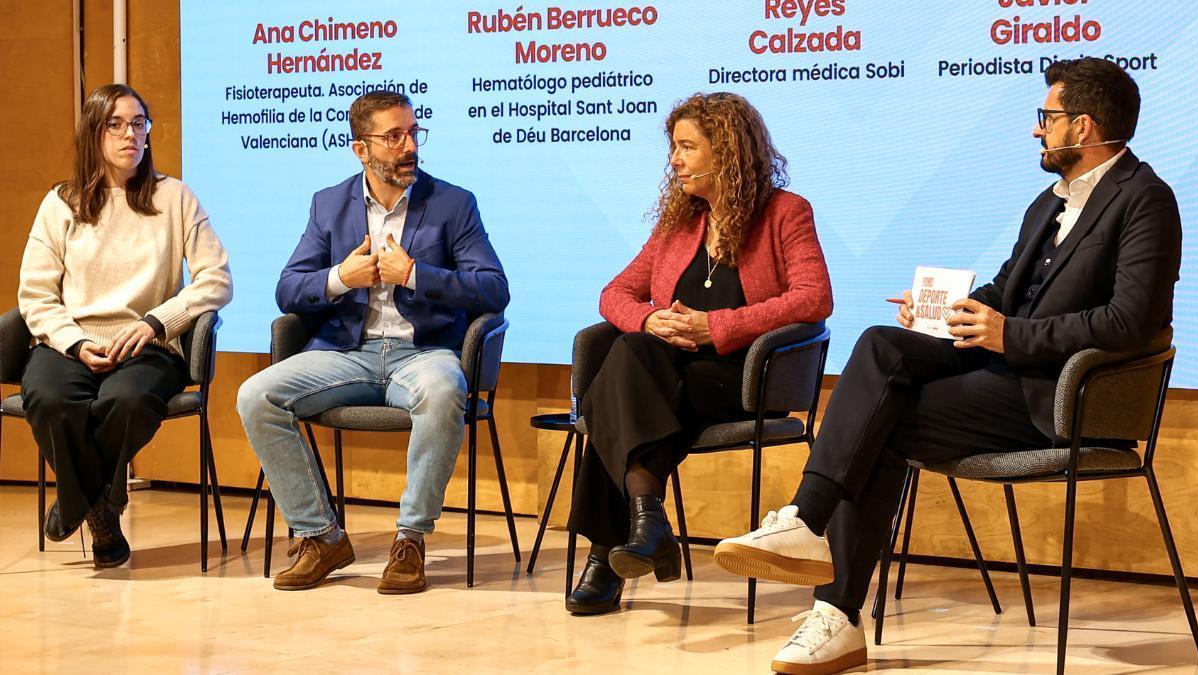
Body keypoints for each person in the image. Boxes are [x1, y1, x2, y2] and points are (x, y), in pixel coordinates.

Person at [713, 57, 1181, 675]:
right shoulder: (1048, 204)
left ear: (1084, 127)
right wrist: (942, 311)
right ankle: (808, 523)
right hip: (1006, 372)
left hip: (1063, 397)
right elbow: (1006, 289)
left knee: (878, 428)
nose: (1037, 130)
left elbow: (1131, 322)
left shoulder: (1146, 200)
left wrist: (1012, 336)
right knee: (884, 342)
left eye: (1047, 117)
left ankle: (835, 607)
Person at [564, 92, 834, 615]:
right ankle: (645, 523)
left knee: (615, 393)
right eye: (674, 148)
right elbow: (614, 293)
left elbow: (813, 297)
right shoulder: (680, 222)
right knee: (632, 355)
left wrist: (718, 326)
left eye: (687, 147)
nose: (675, 160)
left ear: (727, 150)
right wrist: (649, 318)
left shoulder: (785, 212)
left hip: (745, 377)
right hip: (668, 379)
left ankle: (611, 548)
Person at [236, 90, 509, 593]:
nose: (409, 146)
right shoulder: (329, 204)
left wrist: (416, 275)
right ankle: (321, 537)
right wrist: (340, 277)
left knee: (445, 391)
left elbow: (494, 288)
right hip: (347, 354)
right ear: (361, 149)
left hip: (424, 353)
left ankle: (410, 539)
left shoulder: (452, 203)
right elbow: (287, 289)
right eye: (393, 137)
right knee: (256, 395)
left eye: (413, 133)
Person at [18, 83, 233, 569]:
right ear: (93, 133)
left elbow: (216, 278)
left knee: (127, 400)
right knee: (51, 398)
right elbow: (35, 294)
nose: (130, 134)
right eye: (115, 124)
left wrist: (158, 321)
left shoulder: (174, 196)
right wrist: (73, 344)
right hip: (69, 342)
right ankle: (99, 509)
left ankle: (76, 501)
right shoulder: (62, 203)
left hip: (148, 344)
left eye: (139, 123)